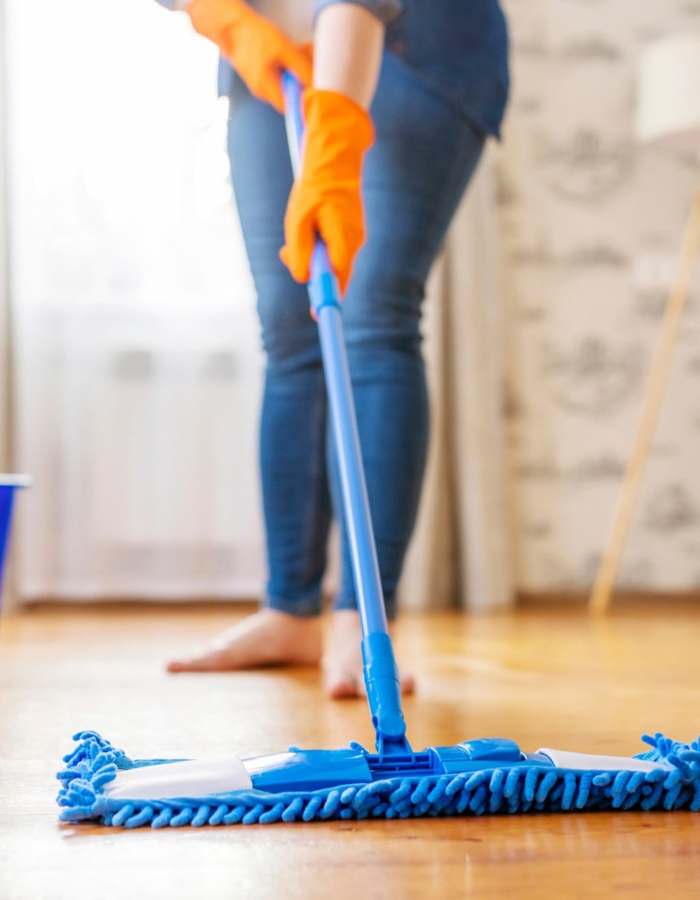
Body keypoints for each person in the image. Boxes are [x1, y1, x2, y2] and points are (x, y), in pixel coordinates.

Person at [160, 0, 509, 697]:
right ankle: (289, 611)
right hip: (271, 48)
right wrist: (224, 17)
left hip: (414, 41)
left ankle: (362, 619)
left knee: (373, 312)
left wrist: (336, 143)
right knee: (289, 325)